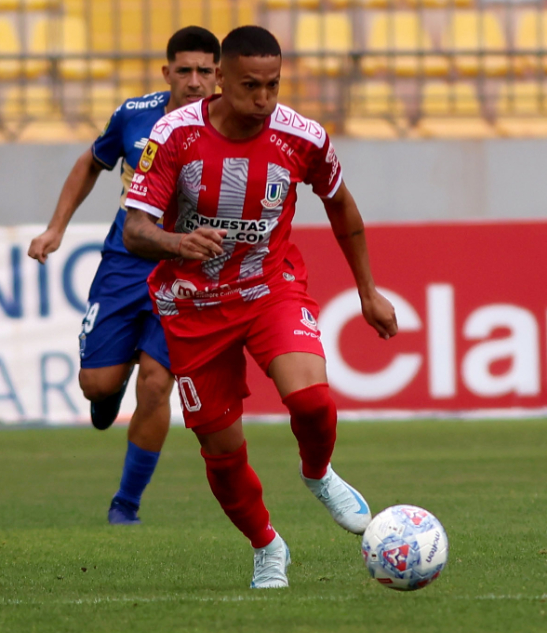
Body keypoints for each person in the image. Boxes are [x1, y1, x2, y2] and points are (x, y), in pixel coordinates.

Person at [121, 26, 398, 588]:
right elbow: (135, 229)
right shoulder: (173, 135)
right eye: (251, 85)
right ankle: (267, 546)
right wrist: (178, 243)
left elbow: (342, 206)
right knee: (222, 451)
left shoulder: (303, 137)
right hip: (192, 307)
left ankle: (318, 474)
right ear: (220, 79)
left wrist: (368, 290)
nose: (264, 99)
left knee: (314, 401)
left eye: (273, 85)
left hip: (269, 289)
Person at [27, 27, 220, 526]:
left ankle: (125, 505)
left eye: (205, 71)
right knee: (96, 383)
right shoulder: (133, 116)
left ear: (219, 75)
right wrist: (55, 229)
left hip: (185, 273)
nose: (195, 81)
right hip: (125, 263)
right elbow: (91, 163)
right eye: (185, 70)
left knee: (157, 384)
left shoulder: (230, 124)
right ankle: (108, 389)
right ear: (167, 72)